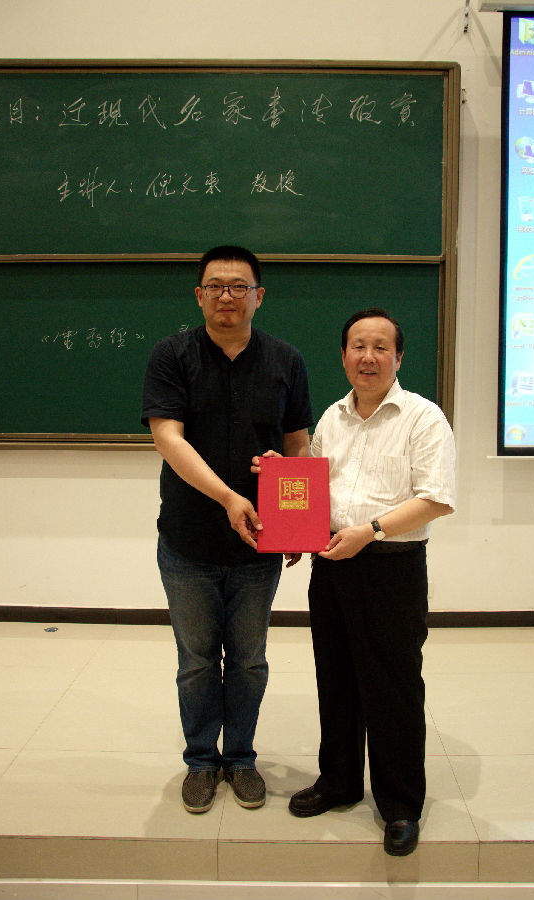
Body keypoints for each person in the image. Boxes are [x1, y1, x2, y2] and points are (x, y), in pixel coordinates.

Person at [141, 245, 312, 815]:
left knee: (248, 660)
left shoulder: (286, 359)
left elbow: (298, 444)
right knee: (195, 661)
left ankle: (239, 758)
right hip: (188, 540)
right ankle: (200, 761)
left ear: (259, 296)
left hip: (259, 543)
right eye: (215, 286)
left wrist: (296, 523)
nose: (227, 296)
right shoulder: (172, 355)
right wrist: (229, 497)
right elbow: (168, 438)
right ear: (199, 295)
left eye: (239, 287)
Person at [287, 307, 455, 856]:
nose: (368, 356)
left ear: (398, 358)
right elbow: (313, 487)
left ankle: (401, 804)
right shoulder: (331, 418)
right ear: (343, 356)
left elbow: (436, 499)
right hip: (333, 563)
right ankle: (338, 782)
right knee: (335, 678)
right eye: (358, 346)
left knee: (393, 687)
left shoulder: (423, 417)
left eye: (381, 347)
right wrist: (281, 483)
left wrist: (372, 530)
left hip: (391, 567)